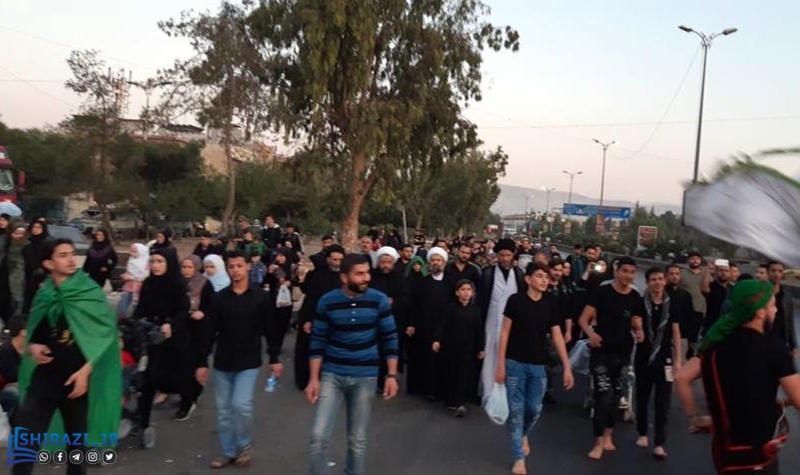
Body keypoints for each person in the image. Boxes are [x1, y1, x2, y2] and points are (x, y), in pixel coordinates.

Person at [13, 239, 121, 475]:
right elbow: (34, 332)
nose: (71, 259)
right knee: (26, 439)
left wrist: (85, 373)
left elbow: (105, 336)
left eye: (72, 253)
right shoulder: (45, 294)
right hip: (45, 378)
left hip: (76, 380)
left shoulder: (89, 292)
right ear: (48, 263)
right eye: (63, 255)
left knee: (76, 449)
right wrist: (32, 347)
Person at [675, 279, 800, 474]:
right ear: (760, 312)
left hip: (726, 457)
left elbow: (681, 377)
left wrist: (695, 418)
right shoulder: (774, 349)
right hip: (757, 460)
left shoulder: (713, 350)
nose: (775, 311)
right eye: (772, 305)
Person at [306, 253, 399, 475]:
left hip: (365, 375)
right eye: (360, 274)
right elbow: (318, 341)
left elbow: (390, 337)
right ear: (344, 277)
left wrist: (392, 375)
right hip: (332, 374)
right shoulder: (327, 301)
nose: (366, 278)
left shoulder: (378, 300)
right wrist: (313, 379)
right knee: (318, 436)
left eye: (367, 272)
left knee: (357, 439)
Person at [199, 251, 284, 469]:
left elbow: (270, 329)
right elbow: (209, 331)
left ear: (248, 266)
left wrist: (274, 358)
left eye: (239, 265)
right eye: (231, 266)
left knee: (241, 405)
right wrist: (201, 362)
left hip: (249, 361)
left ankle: (244, 445)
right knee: (224, 410)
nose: (235, 270)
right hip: (223, 361)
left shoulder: (260, 297)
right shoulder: (220, 298)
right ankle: (228, 451)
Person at [496, 262, 574, 475]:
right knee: (516, 412)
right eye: (539, 276)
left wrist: (567, 366)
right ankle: (519, 458)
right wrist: (500, 364)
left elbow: (557, 335)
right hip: (514, 363)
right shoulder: (515, 301)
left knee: (534, 408)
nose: (544, 280)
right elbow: (504, 333)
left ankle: (523, 433)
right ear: (528, 279)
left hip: (539, 364)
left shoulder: (550, 302)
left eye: (546, 277)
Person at [578, 256, 645, 460]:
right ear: (617, 271)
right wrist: (591, 334)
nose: (628, 276)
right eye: (624, 271)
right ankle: (598, 442)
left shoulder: (635, 297)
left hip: (623, 353)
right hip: (601, 352)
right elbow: (583, 319)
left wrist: (639, 330)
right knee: (603, 396)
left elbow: (637, 323)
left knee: (617, 397)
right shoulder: (603, 292)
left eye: (632, 272)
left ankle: (608, 435)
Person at [134, 248, 193, 448]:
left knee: (178, 380)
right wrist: (134, 323)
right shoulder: (148, 284)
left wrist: (170, 323)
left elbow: (183, 309)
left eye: (160, 261)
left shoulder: (178, 284)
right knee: (146, 381)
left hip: (174, 341)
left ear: (169, 263)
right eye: (153, 261)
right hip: (152, 338)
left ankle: (187, 401)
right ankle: (143, 423)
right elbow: (140, 309)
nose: (156, 265)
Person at [635, 267, 683, 460]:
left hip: (665, 359)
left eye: (660, 279)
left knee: (663, 402)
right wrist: (637, 329)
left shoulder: (671, 304)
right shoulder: (640, 303)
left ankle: (660, 443)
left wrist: (678, 360)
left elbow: (676, 332)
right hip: (644, 357)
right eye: (653, 279)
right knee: (642, 397)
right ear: (647, 283)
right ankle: (643, 432)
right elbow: (634, 324)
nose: (657, 283)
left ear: (665, 281)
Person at [478, 238, 525, 404]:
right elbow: (482, 299)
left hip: (512, 321)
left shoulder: (519, 274)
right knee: (490, 353)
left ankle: (507, 392)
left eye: (508, 255)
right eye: (502, 255)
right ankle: (488, 390)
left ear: (513, 255)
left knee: (509, 355)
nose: (505, 259)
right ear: (497, 256)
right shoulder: (488, 273)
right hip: (491, 319)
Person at [295, 245, 346, 391]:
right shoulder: (317, 275)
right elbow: (310, 298)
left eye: (340, 260)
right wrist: (307, 320)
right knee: (309, 348)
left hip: (338, 319)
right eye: (334, 259)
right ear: (328, 259)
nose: (337, 263)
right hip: (316, 317)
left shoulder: (346, 276)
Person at [432, 280, 485, 416]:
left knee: (464, 375)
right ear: (457, 292)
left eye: (468, 289)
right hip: (451, 347)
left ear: (472, 293)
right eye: (463, 289)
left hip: (468, 349)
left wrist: (480, 348)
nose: (466, 292)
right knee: (451, 373)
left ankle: (460, 402)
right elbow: (442, 325)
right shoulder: (450, 308)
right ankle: (450, 400)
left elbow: (479, 331)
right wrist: (437, 340)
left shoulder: (475, 310)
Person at [407, 247, 451, 399]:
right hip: (423, 325)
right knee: (423, 357)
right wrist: (412, 324)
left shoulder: (450, 283)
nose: (435, 263)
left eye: (438, 260)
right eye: (433, 260)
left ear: (444, 263)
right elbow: (414, 304)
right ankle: (423, 389)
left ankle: (437, 390)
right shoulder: (422, 282)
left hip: (443, 326)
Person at [181, 256, 215, 415]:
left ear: (196, 268)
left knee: (197, 363)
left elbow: (212, 306)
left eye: (190, 267)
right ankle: (185, 396)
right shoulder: (178, 284)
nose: (186, 270)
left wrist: (203, 312)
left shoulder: (205, 284)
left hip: (200, 329)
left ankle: (192, 396)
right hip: (182, 328)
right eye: (184, 267)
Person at [370, 246, 408, 385]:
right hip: (374, 319)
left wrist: (394, 302)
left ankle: (389, 376)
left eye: (388, 262)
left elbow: (406, 298)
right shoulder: (371, 276)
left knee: (391, 348)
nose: (385, 265)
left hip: (394, 318)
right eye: (383, 262)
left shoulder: (400, 277)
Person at [766, 261, 798, 357]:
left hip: (782, 342)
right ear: (768, 272)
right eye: (773, 271)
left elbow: (790, 321)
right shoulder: (761, 294)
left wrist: (794, 345)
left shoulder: (787, 296)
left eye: (779, 271)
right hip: (764, 341)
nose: (776, 274)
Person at [681, 250, 709, 356]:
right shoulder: (682, 273)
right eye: (692, 258)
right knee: (684, 333)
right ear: (688, 260)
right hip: (685, 309)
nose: (695, 261)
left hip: (699, 308)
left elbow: (708, 289)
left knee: (695, 334)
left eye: (697, 259)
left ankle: (692, 353)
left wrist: (708, 271)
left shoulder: (705, 274)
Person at [665, 264, 695, 353]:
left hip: (682, 336)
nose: (674, 276)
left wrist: (691, 340)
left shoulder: (686, 295)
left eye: (677, 274)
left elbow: (690, 317)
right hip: (664, 336)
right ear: (666, 275)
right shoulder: (661, 293)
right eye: (671, 274)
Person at [21, 220, 49, 313]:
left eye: (39, 227)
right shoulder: (27, 243)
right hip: (28, 275)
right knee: (27, 300)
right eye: (34, 227)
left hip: (42, 277)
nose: (36, 229)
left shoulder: (47, 243)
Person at [0, 314, 25, 416]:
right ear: (23, 332)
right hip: (9, 386)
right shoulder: (6, 350)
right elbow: (10, 376)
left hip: (20, 383)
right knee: (14, 395)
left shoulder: (31, 349)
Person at [702, 259, 733, 337]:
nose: (723, 273)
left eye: (726, 271)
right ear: (716, 272)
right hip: (711, 326)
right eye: (720, 270)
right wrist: (708, 270)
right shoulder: (712, 286)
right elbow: (704, 289)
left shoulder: (733, 288)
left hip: (727, 327)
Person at [118, 243, 149, 318]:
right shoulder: (131, 260)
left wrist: (131, 277)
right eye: (131, 251)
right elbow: (128, 271)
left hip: (139, 287)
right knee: (124, 301)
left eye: (135, 251)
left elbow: (145, 276)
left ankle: (135, 318)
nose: (132, 253)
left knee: (136, 303)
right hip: (129, 285)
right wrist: (125, 276)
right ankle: (121, 317)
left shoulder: (146, 262)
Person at [6, 223, 28, 319]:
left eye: (21, 233)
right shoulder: (7, 244)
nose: (19, 236)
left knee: (18, 299)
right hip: (8, 273)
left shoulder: (27, 245)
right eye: (16, 233)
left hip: (20, 275)